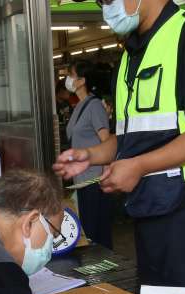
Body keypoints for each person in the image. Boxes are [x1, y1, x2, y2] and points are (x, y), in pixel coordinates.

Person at [58, 0, 185, 287]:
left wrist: (138, 166)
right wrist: (90, 155)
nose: (105, 8)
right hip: (153, 213)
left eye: (108, 0)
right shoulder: (131, 55)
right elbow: (133, 137)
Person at [65, 60, 114, 249]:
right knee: (89, 232)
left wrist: (107, 175)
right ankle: (97, 274)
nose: (68, 79)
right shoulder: (79, 106)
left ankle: (105, 275)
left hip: (95, 181)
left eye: (71, 75)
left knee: (97, 235)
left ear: (82, 81)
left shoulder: (94, 106)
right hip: (83, 181)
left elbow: (106, 141)